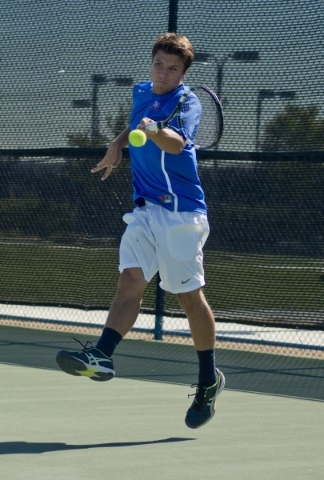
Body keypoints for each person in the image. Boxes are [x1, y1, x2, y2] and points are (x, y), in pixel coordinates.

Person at [56, 32, 225, 429]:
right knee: (130, 281)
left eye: (172, 69)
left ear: (183, 72)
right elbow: (136, 125)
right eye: (158, 65)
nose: (163, 74)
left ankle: (207, 382)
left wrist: (152, 131)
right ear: (151, 63)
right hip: (146, 209)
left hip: (181, 214)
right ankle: (102, 354)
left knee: (188, 299)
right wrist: (117, 144)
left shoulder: (187, 101)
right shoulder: (140, 92)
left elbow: (175, 144)